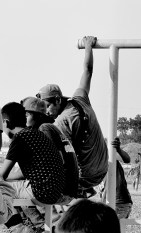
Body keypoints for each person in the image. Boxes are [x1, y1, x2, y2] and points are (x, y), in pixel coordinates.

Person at [37, 36, 116, 200]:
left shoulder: (62, 122)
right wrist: (88, 46)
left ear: (58, 100)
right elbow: (87, 71)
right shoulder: (80, 99)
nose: (46, 112)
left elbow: (65, 159)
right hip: (102, 169)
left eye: (47, 106)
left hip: (85, 177)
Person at [0, 102, 69, 225]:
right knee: (19, 187)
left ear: (6, 122)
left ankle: (20, 228)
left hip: (43, 192)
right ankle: (38, 224)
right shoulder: (37, 134)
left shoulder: (19, 138)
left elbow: (1, 176)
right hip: (58, 189)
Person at [21, 96, 80, 200]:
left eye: (25, 115)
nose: (22, 120)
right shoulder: (51, 128)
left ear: (37, 115)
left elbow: (53, 163)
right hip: (67, 189)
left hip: (60, 191)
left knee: (11, 190)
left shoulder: (44, 129)